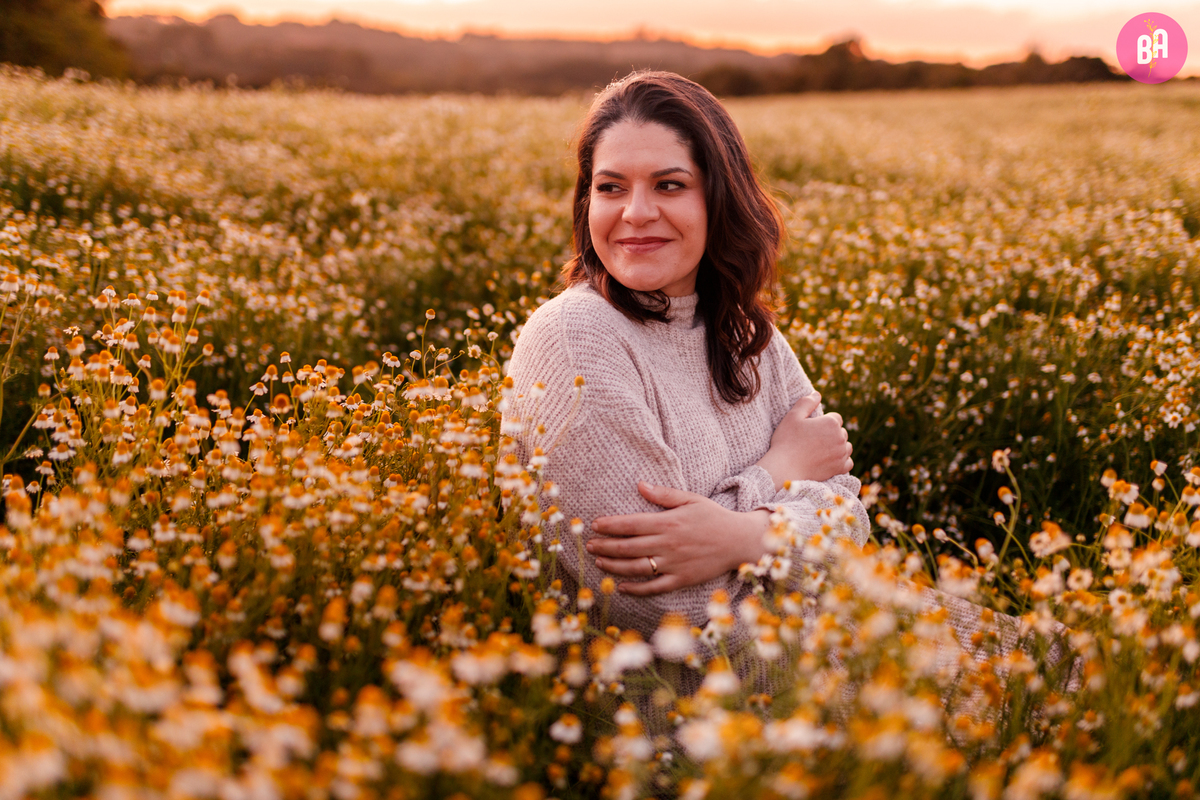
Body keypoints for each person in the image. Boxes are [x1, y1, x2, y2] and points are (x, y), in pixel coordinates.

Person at [502, 70, 869, 680]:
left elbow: (850, 517)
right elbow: (670, 603)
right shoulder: (575, 339)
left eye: (669, 185)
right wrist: (777, 477)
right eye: (611, 187)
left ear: (717, 197)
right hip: (680, 721)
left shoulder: (746, 332)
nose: (636, 213)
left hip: (822, 658)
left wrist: (739, 537)